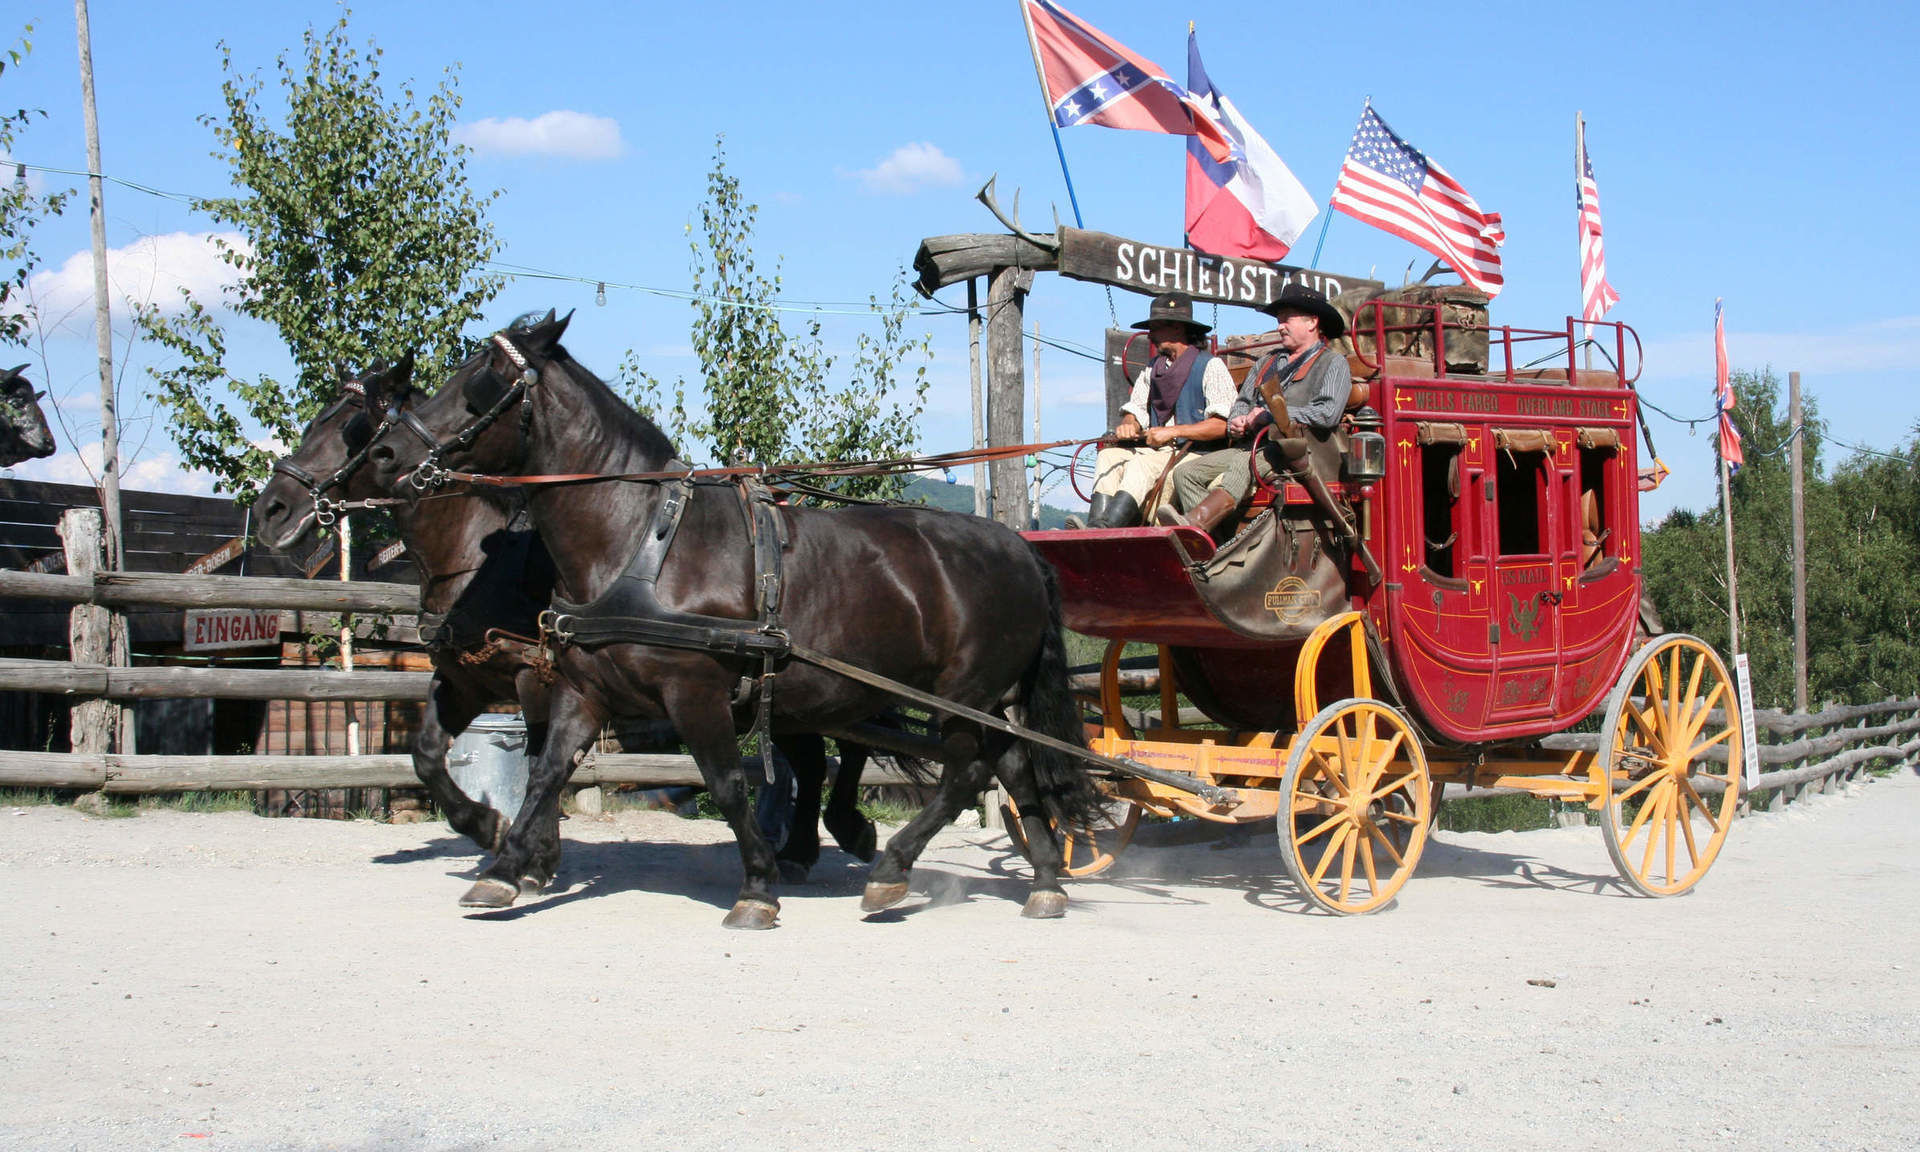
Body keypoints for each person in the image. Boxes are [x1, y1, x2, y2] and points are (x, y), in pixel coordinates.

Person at [1160, 283, 1353, 533]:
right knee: (1185, 473)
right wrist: (1238, 421)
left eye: (1286, 320)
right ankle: (1217, 541)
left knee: (1243, 465)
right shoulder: (1267, 362)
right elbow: (1241, 403)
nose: (1279, 326)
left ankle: (1197, 526)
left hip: (1300, 452)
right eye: (1279, 320)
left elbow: (1327, 413)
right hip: (1256, 446)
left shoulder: (1334, 363)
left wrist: (1268, 416)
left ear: (1312, 323)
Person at [1085, 291, 1237, 528]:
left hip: (1196, 453)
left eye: (1155, 328)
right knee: (1108, 456)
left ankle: (1109, 530)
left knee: (1141, 465)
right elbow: (1135, 409)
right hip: (1156, 451)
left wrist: (1172, 431)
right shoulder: (1152, 368)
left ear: (1177, 328)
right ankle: (1094, 527)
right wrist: (1129, 424)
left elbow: (1221, 425)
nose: (1151, 335)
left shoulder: (1211, 366)